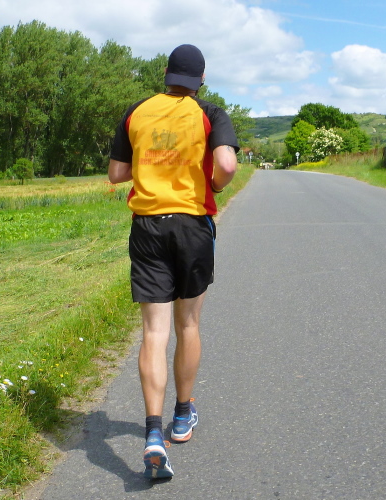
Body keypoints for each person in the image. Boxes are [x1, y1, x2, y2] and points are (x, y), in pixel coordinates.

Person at [108, 43, 239, 479]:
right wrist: (213, 185)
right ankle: (182, 415)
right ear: (201, 79)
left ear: (166, 73)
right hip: (192, 225)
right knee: (188, 325)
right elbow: (227, 165)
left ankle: (152, 434)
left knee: (153, 332)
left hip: (148, 227)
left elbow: (116, 173)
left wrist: (152, 166)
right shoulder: (210, 113)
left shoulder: (137, 112)